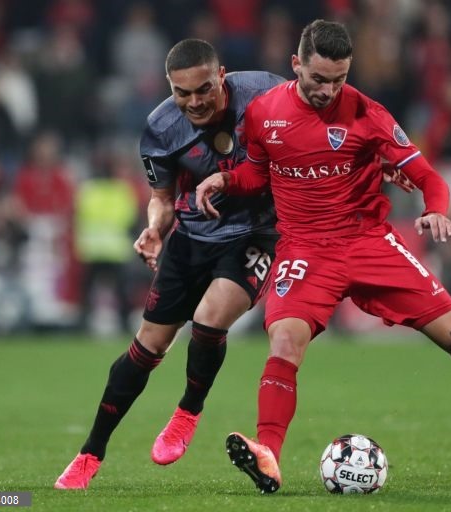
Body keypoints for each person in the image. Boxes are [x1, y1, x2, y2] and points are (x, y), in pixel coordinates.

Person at [196, 20, 451, 495]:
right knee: (285, 344)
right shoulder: (265, 114)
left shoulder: (368, 114)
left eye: (339, 79)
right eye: (318, 79)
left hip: (367, 243)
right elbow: (255, 175)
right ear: (296, 66)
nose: (328, 90)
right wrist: (225, 180)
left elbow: (429, 176)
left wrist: (435, 211)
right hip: (305, 249)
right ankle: (268, 454)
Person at [54, 39, 285, 490]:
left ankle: (187, 412)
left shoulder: (265, 94)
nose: (194, 102)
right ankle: (89, 454)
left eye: (204, 89)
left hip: (255, 234)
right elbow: (161, 198)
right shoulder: (160, 128)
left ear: (222, 77)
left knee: (209, 318)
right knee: (147, 347)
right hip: (191, 237)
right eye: (183, 93)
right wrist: (155, 229)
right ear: (169, 87)